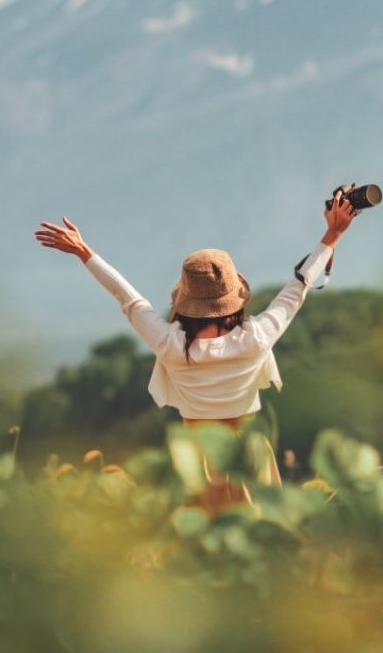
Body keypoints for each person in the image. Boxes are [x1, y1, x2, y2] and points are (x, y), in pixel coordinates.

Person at [34, 187, 359, 511]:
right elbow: (299, 288)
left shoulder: (170, 345)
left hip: (195, 458)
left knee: (200, 535)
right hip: (249, 455)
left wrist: (84, 251)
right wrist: (332, 234)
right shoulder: (256, 338)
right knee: (259, 529)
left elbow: (127, 298)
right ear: (234, 298)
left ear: (186, 300)